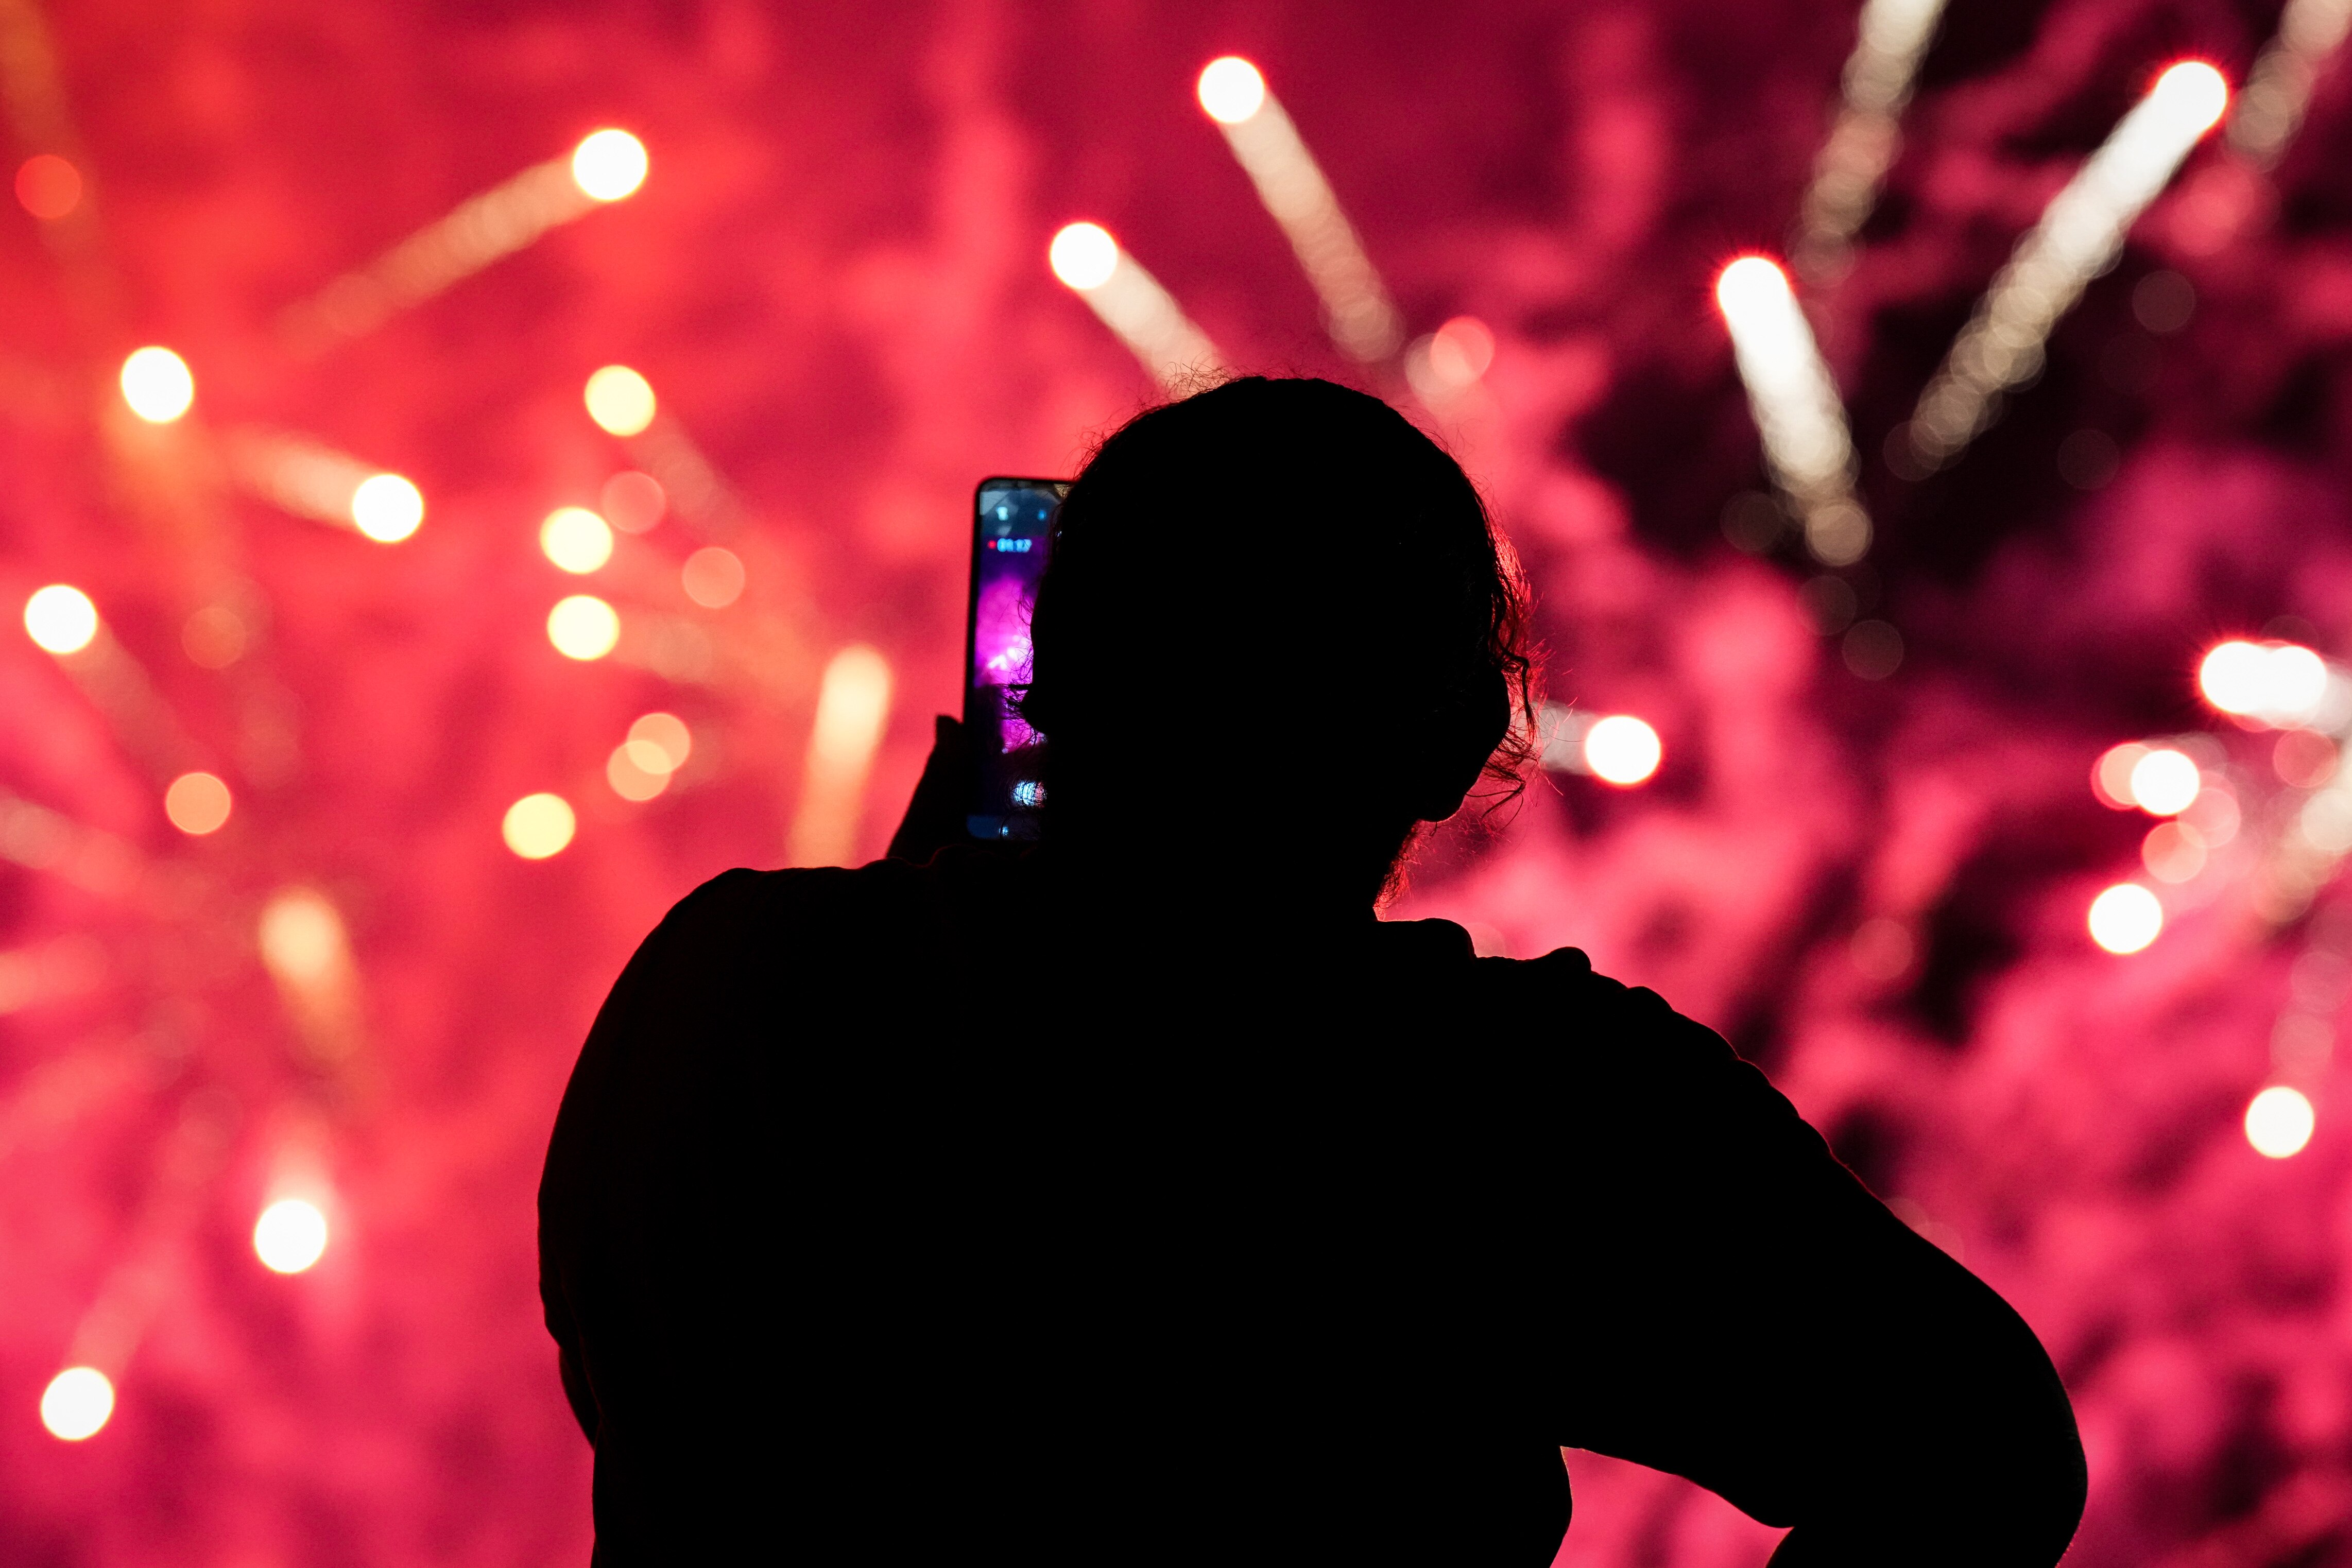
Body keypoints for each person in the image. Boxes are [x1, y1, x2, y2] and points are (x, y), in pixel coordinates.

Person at [538, 376, 2086, 1565]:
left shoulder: (722, 993)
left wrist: (907, 923)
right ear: (1459, 734)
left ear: (1045, 679)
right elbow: (1984, 1452)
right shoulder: (1513, 1101)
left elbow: (668, 1397)